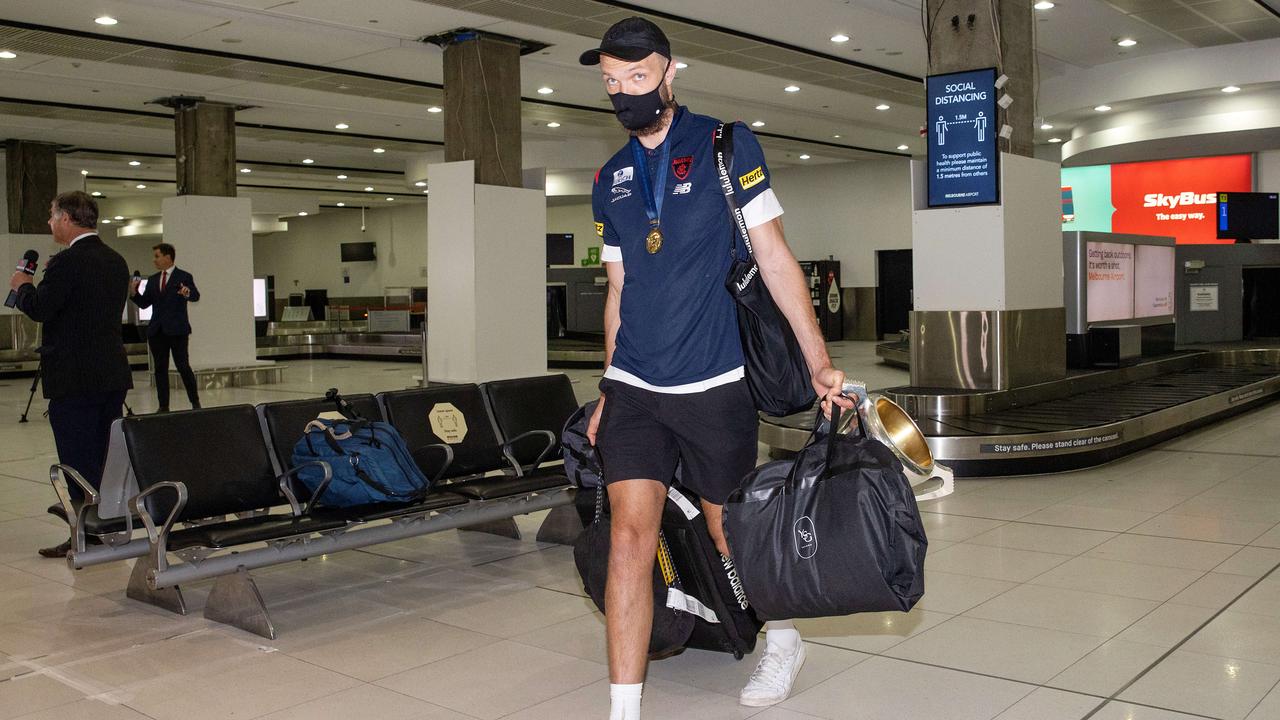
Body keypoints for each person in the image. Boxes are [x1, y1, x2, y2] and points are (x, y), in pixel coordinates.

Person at [580, 17, 852, 719]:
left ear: (672, 71)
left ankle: (784, 638)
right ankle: (623, 707)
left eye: (637, 78)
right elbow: (617, 293)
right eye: (612, 82)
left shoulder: (725, 146)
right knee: (629, 538)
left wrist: (818, 361)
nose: (624, 93)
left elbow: (774, 258)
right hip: (637, 386)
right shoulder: (610, 179)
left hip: (713, 383)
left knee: (730, 530)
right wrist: (610, 387)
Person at [8, 191, 133, 558]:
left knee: (77, 459)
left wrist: (23, 286)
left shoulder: (66, 263)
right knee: (104, 456)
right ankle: (107, 525)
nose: (49, 223)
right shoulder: (116, 260)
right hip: (110, 374)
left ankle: (86, 534)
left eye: (51, 215)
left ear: (66, 219)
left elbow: (42, 309)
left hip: (73, 378)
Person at [130, 243, 200, 411]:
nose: (154, 260)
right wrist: (134, 293)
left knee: (183, 366)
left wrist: (186, 292)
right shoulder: (153, 280)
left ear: (168, 257)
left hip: (177, 330)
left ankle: (195, 402)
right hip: (157, 331)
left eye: (157, 256)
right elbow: (145, 303)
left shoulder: (183, 276)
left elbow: (195, 296)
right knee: (160, 369)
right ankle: (163, 406)